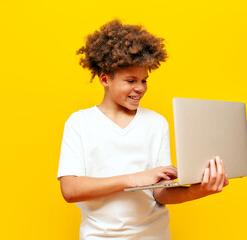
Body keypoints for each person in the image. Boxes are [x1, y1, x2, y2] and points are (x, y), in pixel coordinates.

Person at [57, 19, 229, 239]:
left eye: (144, 80)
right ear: (104, 79)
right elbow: (70, 190)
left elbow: (159, 193)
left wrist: (199, 190)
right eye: (130, 80)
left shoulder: (157, 123)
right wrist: (133, 179)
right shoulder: (79, 123)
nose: (140, 88)